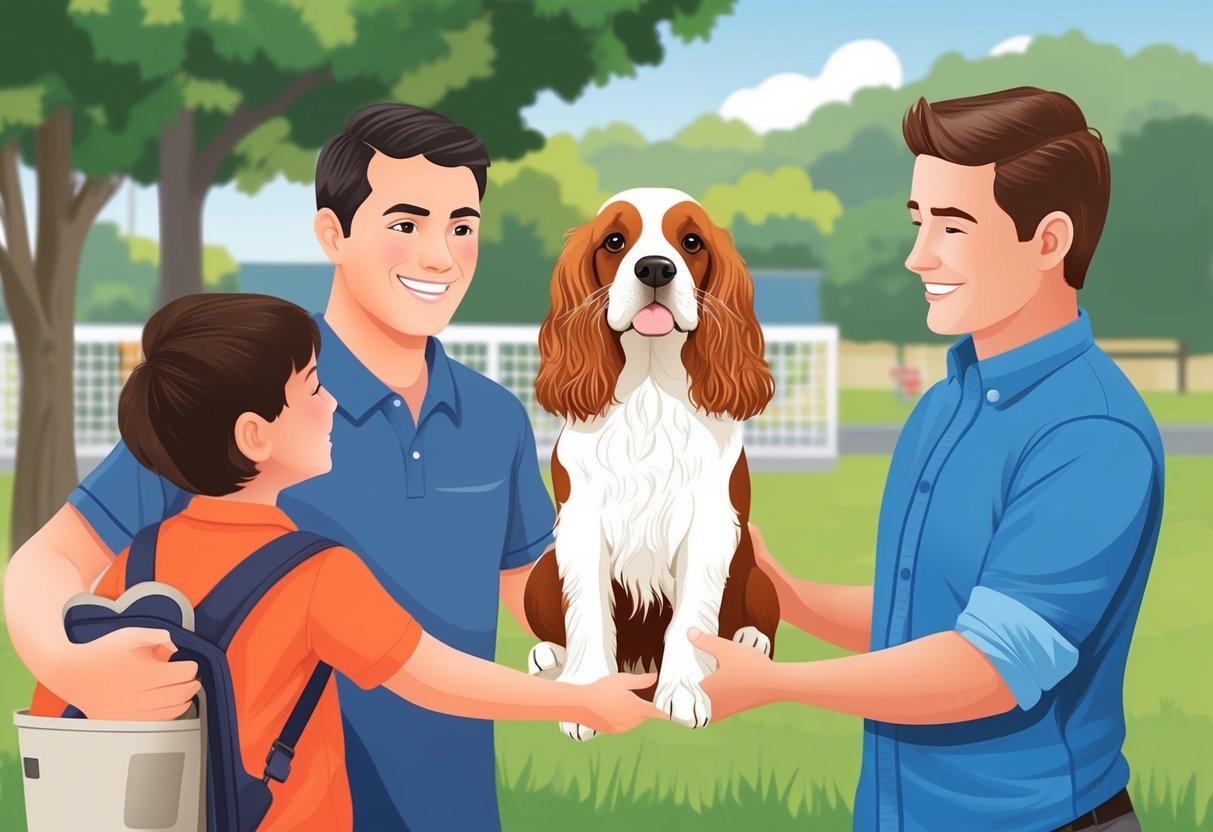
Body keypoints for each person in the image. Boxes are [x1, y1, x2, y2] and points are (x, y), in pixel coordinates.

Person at [5, 103, 566, 831]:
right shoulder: (252, 401)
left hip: (453, 809)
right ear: (332, 233)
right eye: (406, 225)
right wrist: (69, 663)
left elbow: (537, 598)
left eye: (462, 226)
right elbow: (50, 557)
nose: (440, 256)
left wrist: (672, 623)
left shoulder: (495, 420)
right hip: (271, 807)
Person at [693, 87, 1161, 832]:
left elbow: (989, 669)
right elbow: (928, 618)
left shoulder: (1091, 434)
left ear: (1047, 241)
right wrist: (784, 594)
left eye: (953, 225)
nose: (918, 256)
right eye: (918, 221)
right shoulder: (944, 404)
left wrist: (778, 683)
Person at [26, 293, 659, 830]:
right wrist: (580, 702)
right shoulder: (315, 573)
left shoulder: (133, 565)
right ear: (255, 436)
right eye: (312, 389)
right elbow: (434, 677)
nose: (331, 405)